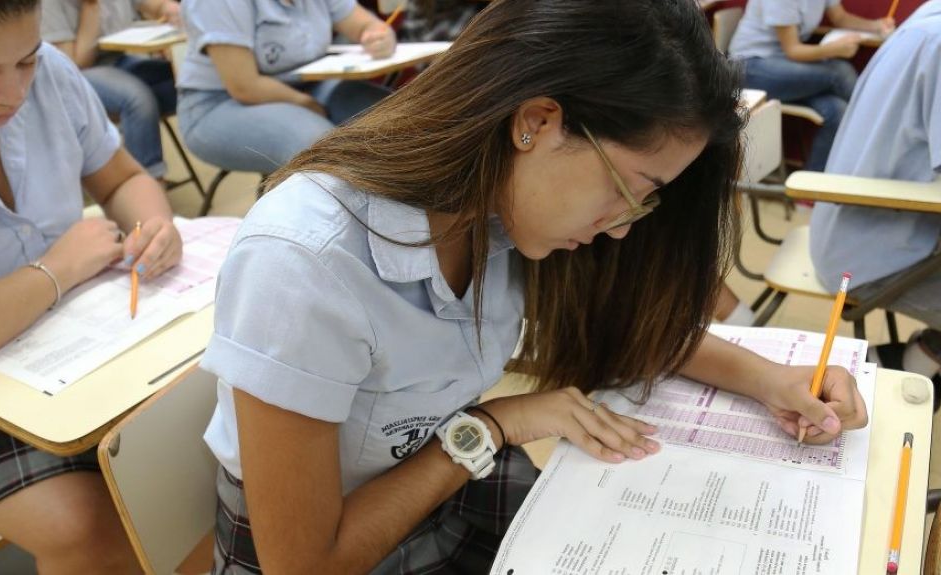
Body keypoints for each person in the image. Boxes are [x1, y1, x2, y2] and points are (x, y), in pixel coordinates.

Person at [198, 0, 868, 572]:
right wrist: (493, 424)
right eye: (630, 190)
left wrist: (774, 379)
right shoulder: (306, 261)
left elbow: (630, 326)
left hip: (437, 488)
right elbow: (307, 561)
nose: (622, 229)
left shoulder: (499, 210)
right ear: (537, 122)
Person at [0, 1, 183, 572]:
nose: (12, 93)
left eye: (28, 60)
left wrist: (154, 224)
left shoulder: (53, 77)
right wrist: (56, 271)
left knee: (186, 451)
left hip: (60, 332)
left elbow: (125, 179)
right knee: (85, 521)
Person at [810, 0, 941, 390]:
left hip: (865, 232)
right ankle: (895, 375)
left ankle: (906, 366)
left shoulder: (929, 17)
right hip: (871, 257)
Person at [176, 0, 395, 175]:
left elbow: (367, 25)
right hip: (219, 104)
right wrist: (306, 103)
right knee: (322, 150)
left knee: (400, 122)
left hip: (309, 85)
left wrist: (379, 36)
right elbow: (244, 86)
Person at [728, 0, 894, 171]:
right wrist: (834, 49)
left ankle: (809, 190)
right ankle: (883, 134)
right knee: (840, 72)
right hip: (751, 67)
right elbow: (793, 50)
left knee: (838, 110)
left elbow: (840, 17)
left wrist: (877, 25)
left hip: (785, 66)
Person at [42, 0, 182, 181]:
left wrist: (169, 9)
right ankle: (149, 185)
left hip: (120, 60)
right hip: (76, 78)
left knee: (181, 80)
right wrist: (90, 6)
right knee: (137, 99)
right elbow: (73, 64)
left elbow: (155, 5)